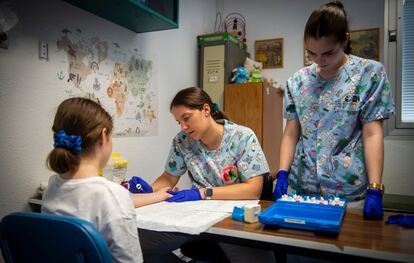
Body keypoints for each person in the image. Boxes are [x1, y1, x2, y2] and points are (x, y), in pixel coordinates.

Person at [273, 1, 395, 220]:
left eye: (328, 53)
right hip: (303, 186)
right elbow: (291, 132)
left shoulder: (370, 75)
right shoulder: (298, 81)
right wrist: (282, 173)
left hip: (348, 190)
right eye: (311, 53)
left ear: (345, 40)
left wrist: (375, 188)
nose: (319, 61)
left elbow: (372, 133)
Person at [138, 87, 275, 263]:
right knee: (140, 244)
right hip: (198, 216)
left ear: (205, 110)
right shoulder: (182, 141)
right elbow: (168, 178)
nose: (184, 127)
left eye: (186, 118)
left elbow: (253, 189)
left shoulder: (242, 137)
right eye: (179, 122)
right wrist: (146, 190)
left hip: (234, 218)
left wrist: (203, 193)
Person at [42, 98, 171, 263]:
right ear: (104, 136)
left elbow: (113, 198)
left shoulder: (53, 185)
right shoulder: (111, 195)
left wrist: (159, 195)